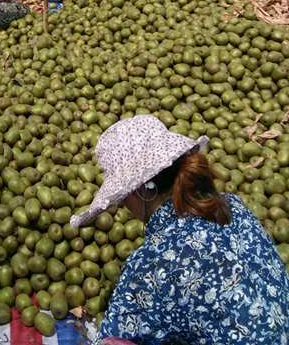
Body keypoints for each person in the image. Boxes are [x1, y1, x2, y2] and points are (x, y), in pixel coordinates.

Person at [71, 115, 289, 345]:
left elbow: (114, 340)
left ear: (144, 191)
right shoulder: (232, 205)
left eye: (123, 195)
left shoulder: (151, 265)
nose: (122, 203)